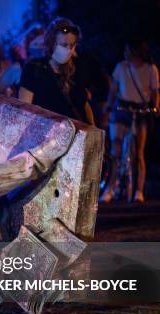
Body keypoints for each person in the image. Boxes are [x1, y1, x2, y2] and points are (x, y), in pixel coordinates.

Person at [100, 39, 159, 203]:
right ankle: (110, 188)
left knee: (139, 153)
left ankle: (139, 191)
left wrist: (155, 108)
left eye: (128, 51)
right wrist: (109, 106)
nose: (125, 54)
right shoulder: (121, 67)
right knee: (115, 149)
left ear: (137, 53)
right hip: (122, 108)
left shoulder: (150, 69)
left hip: (140, 110)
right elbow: (114, 89)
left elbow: (155, 92)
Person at [18, 18, 94, 125]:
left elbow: (84, 105)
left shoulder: (78, 69)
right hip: (46, 138)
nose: (68, 50)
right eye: (64, 45)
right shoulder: (34, 69)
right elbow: (24, 109)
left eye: (71, 45)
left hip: (79, 138)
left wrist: (93, 132)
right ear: (51, 43)